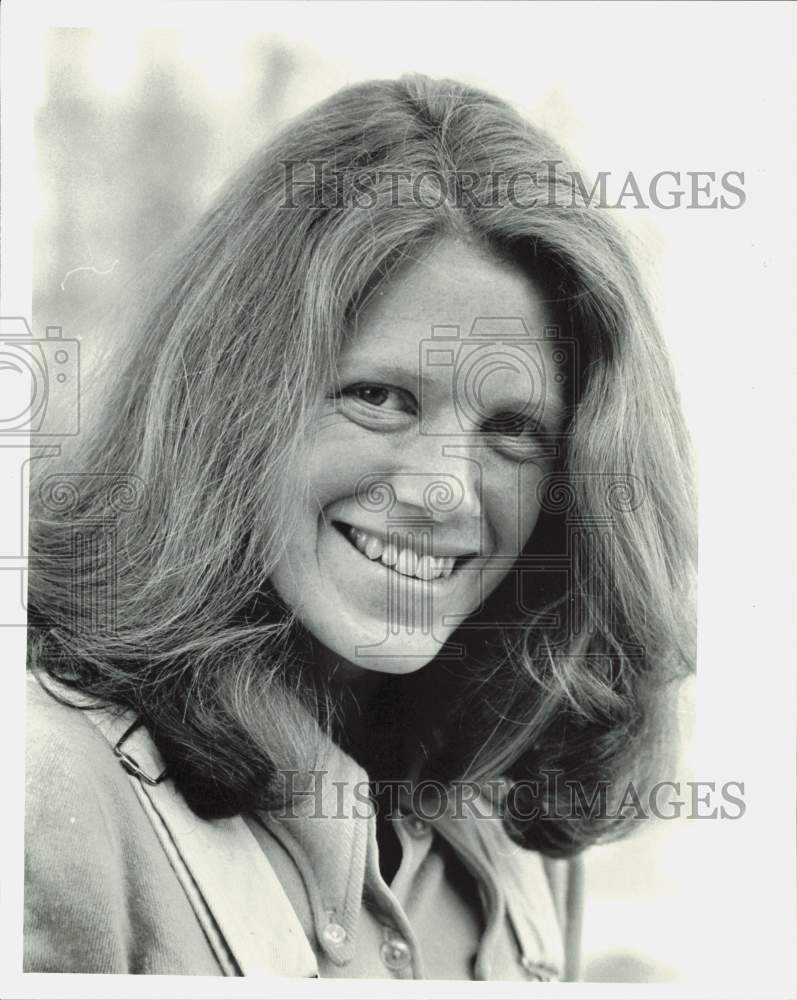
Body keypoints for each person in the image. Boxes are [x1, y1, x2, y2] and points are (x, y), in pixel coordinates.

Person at [24, 74, 696, 980]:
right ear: (227, 399)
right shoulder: (43, 785)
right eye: (379, 397)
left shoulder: (514, 798)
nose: (446, 493)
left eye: (512, 431)